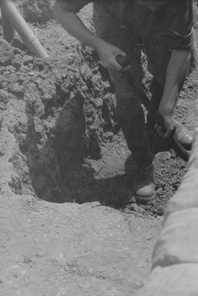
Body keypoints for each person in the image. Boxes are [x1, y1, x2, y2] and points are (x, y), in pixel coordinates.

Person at [52, 0, 197, 203]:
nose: (152, 7)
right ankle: (141, 161)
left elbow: (182, 48)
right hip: (114, 18)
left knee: (167, 73)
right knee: (127, 92)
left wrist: (167, 109)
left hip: (165, 21)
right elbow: (60, 10)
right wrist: (99, 46)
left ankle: (158, 126)